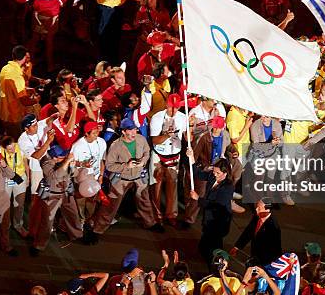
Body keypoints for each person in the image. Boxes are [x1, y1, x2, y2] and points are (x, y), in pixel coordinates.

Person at [85, 118, 160, 244]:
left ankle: (150, 223)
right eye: (130, 130)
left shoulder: (141, 139)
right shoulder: (116, 145)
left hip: (138, 177)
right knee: (110, 206)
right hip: (121, 179)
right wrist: (126, 166)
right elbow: (109, 166)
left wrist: (143, 161)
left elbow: (147, 152)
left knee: (145, 201)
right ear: (124, 132)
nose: (134, 132)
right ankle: (97, 230)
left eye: (135, 129)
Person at [6, 0, 68, 73]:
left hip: (37, 17)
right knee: (49, 41)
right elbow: (63, 1)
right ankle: (50, 65)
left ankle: (29, 64)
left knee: (34, 40)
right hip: (52, 19)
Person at [30, 146, 83, 256]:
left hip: (66, 192)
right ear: (54, 157)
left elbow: (75, 174)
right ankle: (39, 245)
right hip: (51, 196)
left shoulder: (65, 162)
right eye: (62, 157)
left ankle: (77, 235)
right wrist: (67, 162)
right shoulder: (46, 162)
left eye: (65, 156)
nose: (64, 158)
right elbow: (54, 176)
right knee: (47, 222)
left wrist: (72, 167)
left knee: (73, 215)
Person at [186, 145, 234, 264]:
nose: (214, 174)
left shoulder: (228, 187)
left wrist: (198, 198)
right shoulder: (213, 177)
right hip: (209, 219)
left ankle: (217, 264)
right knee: (206, 244)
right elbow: (198, 174)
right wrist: (191, 158)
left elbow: (216, 205)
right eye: (214, 172)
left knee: (214, 246)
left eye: (217, 173)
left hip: (219, 221)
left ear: (225, 173)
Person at [149, 93, 188, 226]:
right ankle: (157, 214)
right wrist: (166, 135)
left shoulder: (183, 117)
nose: (174, 110)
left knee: (173, 184)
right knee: (156, 184)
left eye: (176, 107)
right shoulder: (157, 118)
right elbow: (154, 141)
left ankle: (171, 214)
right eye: (172, 107)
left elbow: (188, 139)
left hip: (174, 154)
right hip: (159, 154)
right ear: (167, 104)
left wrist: (191, 128)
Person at [18, 113, 56, 240]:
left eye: (36, 124)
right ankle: (33, 227)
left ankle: (47, 223)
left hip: (49, 164)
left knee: (50, 195)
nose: (36, 127)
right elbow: (36, 156)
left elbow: (50, 118)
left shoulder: (38, 125)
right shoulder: (22, 140)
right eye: (33, 126)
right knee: (36, 199)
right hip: (36, 169)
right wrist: (49, 140)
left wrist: (57, 113)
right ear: (26, 129)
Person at [0, 46, 41, 138]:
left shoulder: (5, 69)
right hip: (13, 116)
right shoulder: (17, 77)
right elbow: (24, 101)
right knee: (18, 140)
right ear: (24, 57)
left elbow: (10, 89)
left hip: (3, 112)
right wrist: (36, 100)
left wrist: (26, 89)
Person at [230, 199, 281, 265]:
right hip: (255, 255)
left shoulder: (273, 227)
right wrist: (237, 247)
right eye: (256, 207)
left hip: (265, 260)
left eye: (259, 208)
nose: (256, 209)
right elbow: (248, 232)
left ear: (267, 210)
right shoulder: (257, 216)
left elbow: (274, 249)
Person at [0, 136, 29, 238]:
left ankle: (18, 225)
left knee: (19, 203)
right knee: (5, 203)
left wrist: (28, 178)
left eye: (12, 148)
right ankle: (5, 224)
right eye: (9, 149)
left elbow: (25, 164)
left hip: (20, 178)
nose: (12, 150)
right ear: (4, 148)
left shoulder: (20, 147)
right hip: (7, 179)